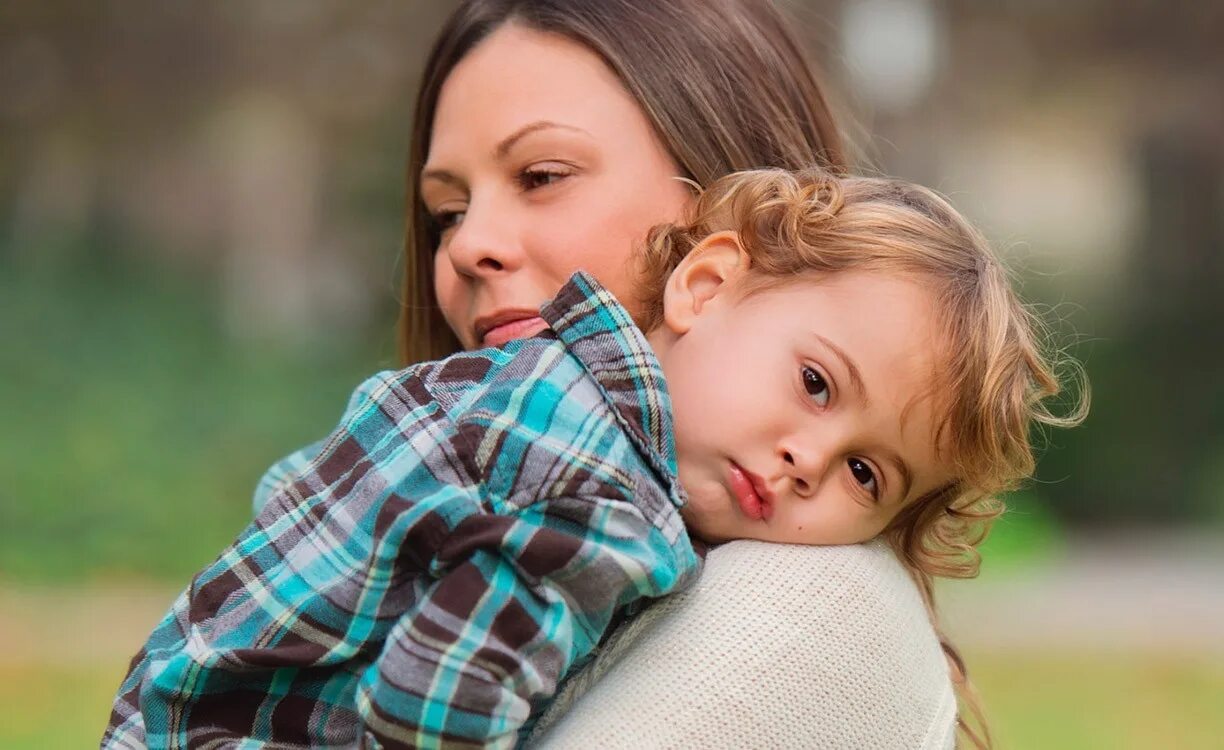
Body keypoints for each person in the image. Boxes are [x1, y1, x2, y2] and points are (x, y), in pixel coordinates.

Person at [179, 0, 994, 746]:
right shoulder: (530, 465)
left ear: (723, 232)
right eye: (446, 213)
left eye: (541, 175)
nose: (466, 246)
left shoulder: (805, 609)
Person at [102, 167, 1081, 749]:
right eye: (818, 385)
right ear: (705, 283)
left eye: (867, 475)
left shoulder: (540, 379)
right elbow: (434, 704)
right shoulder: (599, 492)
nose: (805, 461)